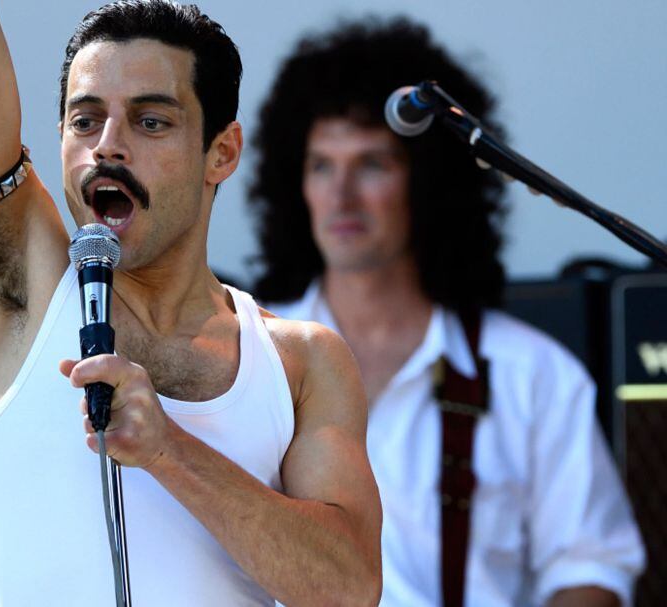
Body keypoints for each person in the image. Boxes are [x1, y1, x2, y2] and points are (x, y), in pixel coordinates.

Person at [0, 1, 382, 605]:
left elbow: (347, 588)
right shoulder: (15, 290)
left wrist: (170, 451)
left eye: (151, 122)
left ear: (222, 152)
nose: (108, 147)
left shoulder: (301, 361)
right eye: (84, 122)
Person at [250, 17, 645, 607]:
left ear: (428, 184)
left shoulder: (533, 375)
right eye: (321, 165)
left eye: (373, 164)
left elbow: (590, 567)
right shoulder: (245, 355)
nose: (342, 194)